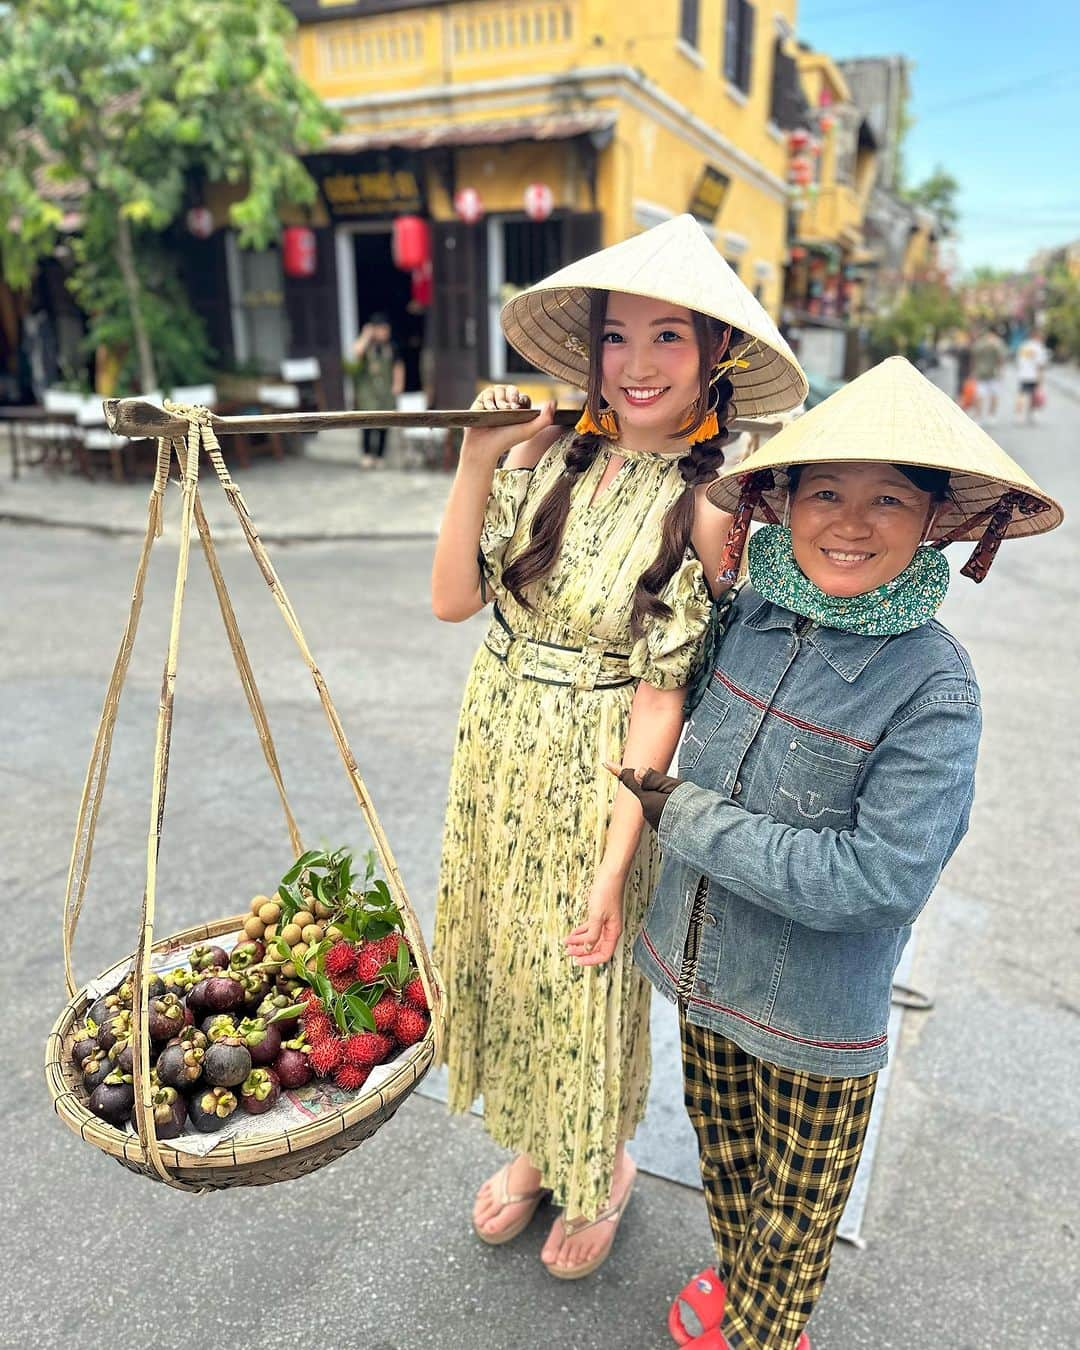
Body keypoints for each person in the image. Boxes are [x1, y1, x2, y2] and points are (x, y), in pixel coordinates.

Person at [606, 356, 1061, 1349]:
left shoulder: (934, 688)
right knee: (727, 1172)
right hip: (706, 979)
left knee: (793, 1220)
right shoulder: (749, 616)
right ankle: (740, 1286)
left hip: (816, 1024)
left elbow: (881, 879)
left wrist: (685, 817)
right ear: (785, 502)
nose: (850, 524)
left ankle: (767, 1331)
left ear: (934, 520)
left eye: (888, 499)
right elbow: (651, 680)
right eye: (825, 492)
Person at [431, 215, 806, 1279]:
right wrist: (474, 459)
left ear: (714, 361)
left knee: (584, 964)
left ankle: (600, 1166)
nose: (636, 366)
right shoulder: (544, 461)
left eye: (668, 340)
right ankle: (539, 1148)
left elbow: (662, 702)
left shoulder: (704, 511)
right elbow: (455, 599)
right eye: (615, 339)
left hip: (603, 772)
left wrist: (614, 864)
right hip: (496, 740)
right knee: (510, 955)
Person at [350, 313, 404, 465]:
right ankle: (367, 455)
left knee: (384, 424)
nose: (385, 333)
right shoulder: (366, 346)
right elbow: (356, 352)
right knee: (366, 424)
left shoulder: (391, 347)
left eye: (386, 330)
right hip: (368, 392)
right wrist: (366, 335)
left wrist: (398, 386)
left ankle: (380, 456)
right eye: (381, 329)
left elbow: (398, 366)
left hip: (385, 392)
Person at [970, 324, 1006, 423]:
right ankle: (991, 415)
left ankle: (978, 416)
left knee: (980, 394)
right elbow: (1001, 358)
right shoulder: (997, 343)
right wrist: (1001, 370)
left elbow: (974, 356)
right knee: (994, 394)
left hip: (980, 372)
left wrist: (973, 370)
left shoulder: (979, 343)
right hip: (993, 372)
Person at [1014, 328, 1048, 424]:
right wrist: (1040, 378)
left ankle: (1019, 415)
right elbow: (1040, 365)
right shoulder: (1039, 347)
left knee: (1021, 394)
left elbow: (1018, 361)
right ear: (1037, 336)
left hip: (1023, 374)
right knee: (1033, 395)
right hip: (1033, 375)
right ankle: (1032, 415)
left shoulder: (1023, 346)